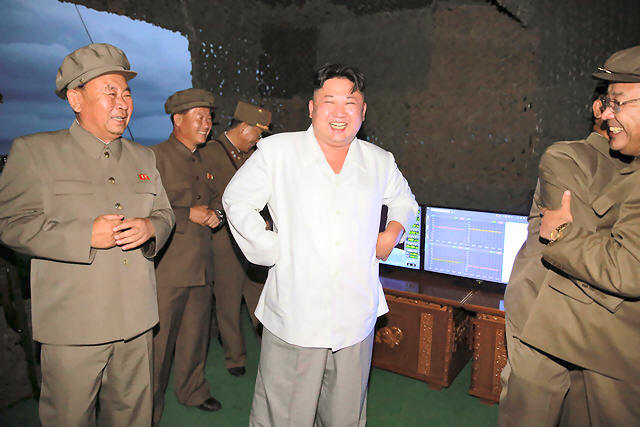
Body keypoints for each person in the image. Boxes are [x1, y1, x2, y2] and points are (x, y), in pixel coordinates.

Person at [223, 64, 418, 426]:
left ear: (363, 111)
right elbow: (237, 201)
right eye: (329, 101)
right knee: (284, 416)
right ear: (312, 108)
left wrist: (392, 233)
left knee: (345, 415)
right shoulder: (277, 152)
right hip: (296, 315)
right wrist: (270, 249)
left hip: (356, 316)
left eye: (350, 103)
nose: (340, 112)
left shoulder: (379, 160)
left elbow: (405, 202)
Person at [0, 43, 175, 426]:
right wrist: (84, 235)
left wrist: (151, 228)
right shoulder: (35, 152)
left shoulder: (144, 157)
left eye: (126, 93)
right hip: (73, 327)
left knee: (133, 418)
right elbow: (10, 223)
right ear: (75, 99)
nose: (122, 103)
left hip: (137, 321)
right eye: (110, 92)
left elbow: (164, 214)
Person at [499, 45, 640, 426]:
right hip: (543, 312)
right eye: (607, 103)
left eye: (618, 103)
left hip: (598, 328)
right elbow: (592, 245)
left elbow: (611, 254)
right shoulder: (568, 156)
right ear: (596, 108)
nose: (609, 113)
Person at [150, 88, 223, 425]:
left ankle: (193, 390)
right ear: (177, 119)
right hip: (169, 269)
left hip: (202, 265)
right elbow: (144, 208)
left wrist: (216, 214)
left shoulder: (206, 158)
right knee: (159, 346)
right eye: (199, 117)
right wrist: (186, 214)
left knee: (195, 336)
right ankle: (148, 408)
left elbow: (220, 198)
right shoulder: (155, 157)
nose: (207, 124)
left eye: (209, 117)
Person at [203, 100, 272, 377]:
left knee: (261, 300)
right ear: (244, 128)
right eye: (258, 132)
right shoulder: (210, 153)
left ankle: (270, 352)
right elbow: (208, 196)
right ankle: (234, 357)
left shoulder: (254, 155)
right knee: (228, 303)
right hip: (225, 243)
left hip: (254, 242)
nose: (259, 139)